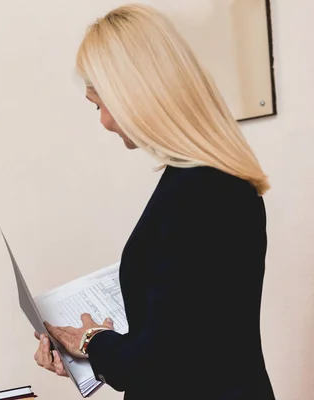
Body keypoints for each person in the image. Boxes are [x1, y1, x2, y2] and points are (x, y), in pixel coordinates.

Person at [33, 5, 276, 400]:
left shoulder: (202, 192)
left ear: (133, 93)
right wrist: (96, 352)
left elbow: (155, 362)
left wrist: (93, 340)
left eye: (100, 104)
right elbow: (185, 338)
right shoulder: (201, 181)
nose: (104, 122)